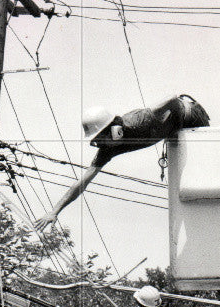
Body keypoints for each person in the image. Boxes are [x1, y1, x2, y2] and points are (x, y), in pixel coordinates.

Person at [33, 94, 209, 231]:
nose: (101, 144)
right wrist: (54, 211)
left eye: (102, 138)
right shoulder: (108, 149)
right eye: (98, 141)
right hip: (175, 129)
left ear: (115, 129)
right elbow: (82, 182)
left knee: (204, 167)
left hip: (191, 116)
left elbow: (171, 98)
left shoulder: (139, 120)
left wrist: (176, 124)